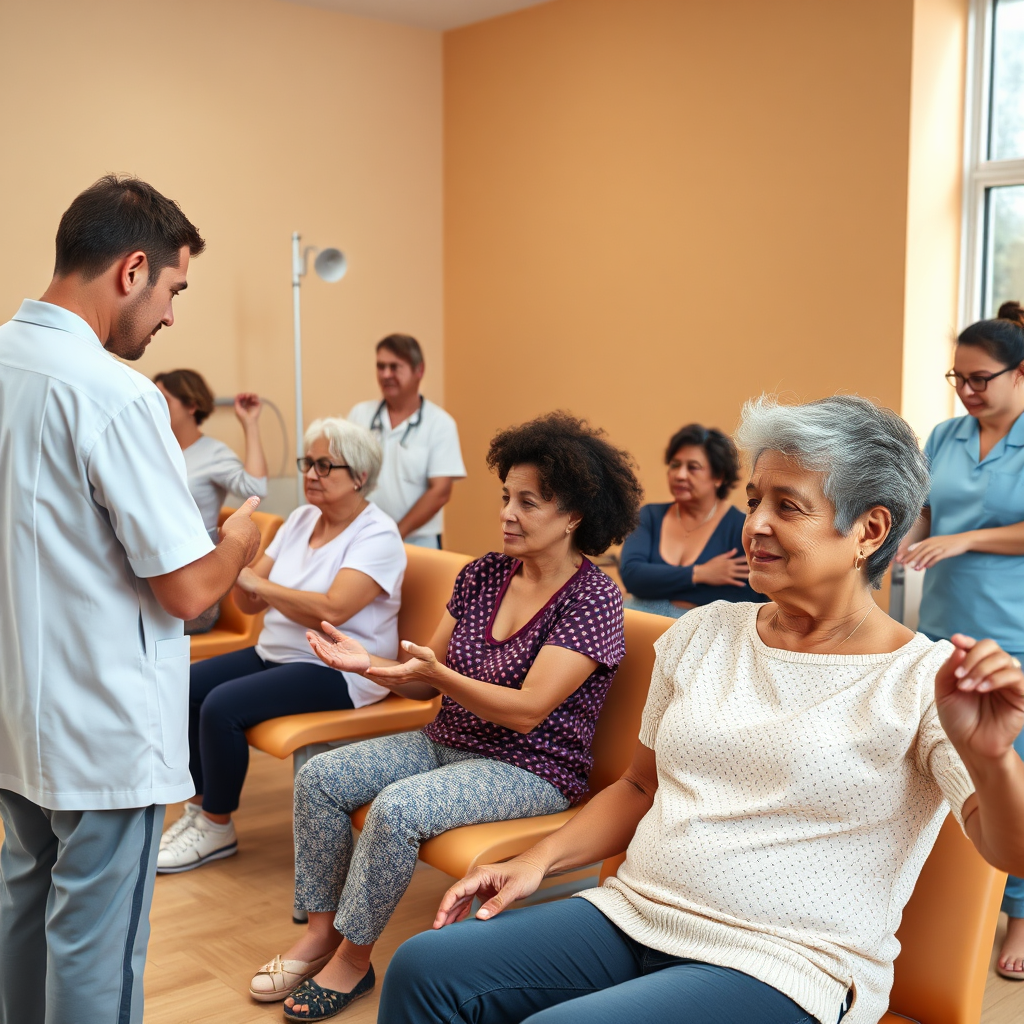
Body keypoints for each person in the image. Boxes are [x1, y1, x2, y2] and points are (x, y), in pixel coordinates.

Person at [380, 395, 1024, 1024]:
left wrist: (993, 757)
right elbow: (638, 785)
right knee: (425, 968)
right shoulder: (703, 633)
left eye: (788, 506)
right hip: (637, 913)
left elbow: (1009, 851)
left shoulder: (923, 680)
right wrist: (537, 860)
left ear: (870, 530)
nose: (756, 524)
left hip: (784, 963)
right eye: (754, 502)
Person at [246, 412, 642, 1019]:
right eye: (506, 497)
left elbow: (528, 712)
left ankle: (353, 960)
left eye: (528, 503)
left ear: (574, 516)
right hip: (445, 738)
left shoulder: (592, 600)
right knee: (320, 777)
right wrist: (370, 666)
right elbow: (419, 679)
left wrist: (436, 677)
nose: (507, 513)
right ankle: (321, 933)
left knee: (397, 811)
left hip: (530, 768)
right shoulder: (482, 574)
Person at [0, 175, 262, 1024]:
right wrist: (238, 544)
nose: (172, 317)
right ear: (132, 269)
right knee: (94, 945)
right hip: (103, 730)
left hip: (18, 715)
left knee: (24, 914)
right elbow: (186, 589)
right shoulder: (114, 395)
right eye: (174, 291)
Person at [156, 418, 406, 873]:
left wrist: (253, 580)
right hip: (278, 653)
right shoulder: (301, 518)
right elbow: (249, 600)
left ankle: (217, 825)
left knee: (221, 705)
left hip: (340, 670)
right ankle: (200, 806)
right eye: (308, 462)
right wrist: (241, 574)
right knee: (186, 685)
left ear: (360, 477)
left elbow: (334, 609)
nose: (311, 473)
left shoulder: (379, 535)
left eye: (325, 465)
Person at [895, 307, 1024, 981]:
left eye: (980, 379)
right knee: (940, 766)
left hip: (1013, 630)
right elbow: (923, 508)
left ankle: (1020, 918)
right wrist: (895, 544)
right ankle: (940, 898)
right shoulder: (945, 434)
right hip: (942, 625)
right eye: (958, 378)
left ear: (1020, 372)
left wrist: (966, 538)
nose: (968, 392)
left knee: (1008, 772)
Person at [153, 368, 269, 633]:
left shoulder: (212, 454)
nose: (156, 407)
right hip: (159, 571)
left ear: (191, 405)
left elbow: (256, 487)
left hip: (195, 586)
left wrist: (249, 423)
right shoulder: (157, 451)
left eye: (164, 400)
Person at [619, 423, 763, 616]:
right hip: (640, 618)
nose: (680, 475)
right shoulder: (649, 516)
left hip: (707, 630)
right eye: (675, 465)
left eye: (693, 467)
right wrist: (701, 574)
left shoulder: (741, 527)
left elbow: (750, 596)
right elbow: (632, 577)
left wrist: (657, 581)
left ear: (718, 476)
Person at [347, 334, 466, 548]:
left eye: (394, 367)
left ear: (419, 371)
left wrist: (394, 532)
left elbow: (440, 492)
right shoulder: (360, 415)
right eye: (381, 366)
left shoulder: (440, 424)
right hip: (362, 536)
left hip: (418, 541)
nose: (385, 374)